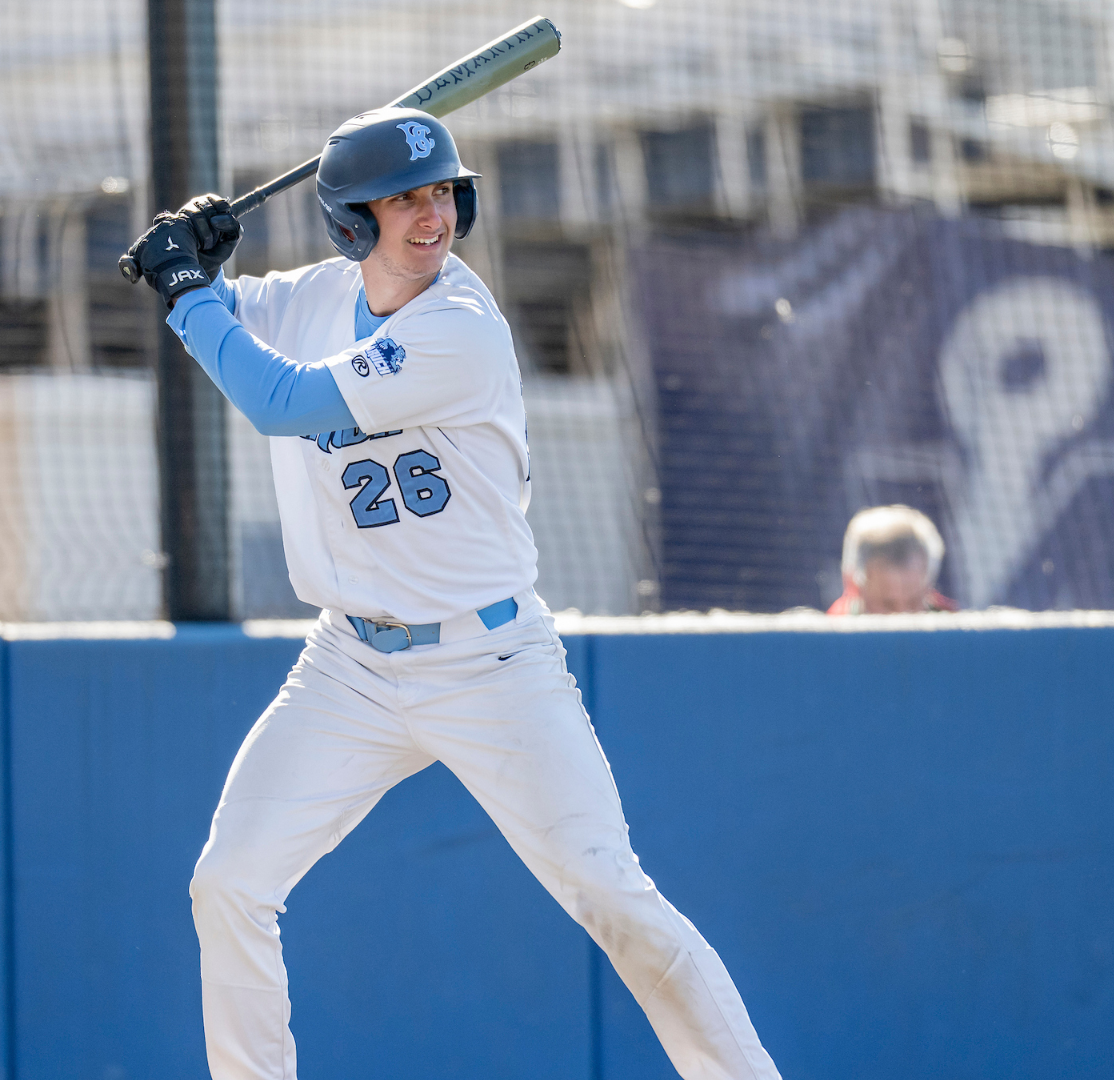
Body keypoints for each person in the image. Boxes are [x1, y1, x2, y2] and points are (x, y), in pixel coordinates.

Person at [123, 107, 782, 1080]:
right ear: (351, 223)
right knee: (229, 882)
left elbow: (275, 400)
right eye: (403, 199)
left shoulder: (458, 330)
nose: (431, 216)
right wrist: (198, 263)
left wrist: (188, 294)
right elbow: (236, 317)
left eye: (442, 193)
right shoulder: (314, 297)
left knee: (614, 895)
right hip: (350, 662)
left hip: (492, 663)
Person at [827, 505, 958, 615]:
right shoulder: (830, 636)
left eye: (914, 602)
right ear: (853, 586)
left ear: (929, 586)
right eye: (887, 604)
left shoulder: (956, 631)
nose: (903, 617)